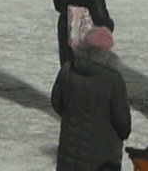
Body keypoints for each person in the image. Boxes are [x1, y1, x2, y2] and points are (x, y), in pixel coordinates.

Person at [50, 25, 130, 171]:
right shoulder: (113, 80)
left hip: (69, 157)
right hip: (103, 160)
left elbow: (56, 103)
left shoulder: (67, 70)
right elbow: (123, 125)